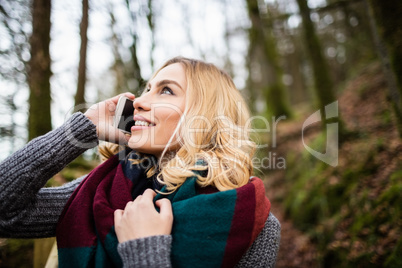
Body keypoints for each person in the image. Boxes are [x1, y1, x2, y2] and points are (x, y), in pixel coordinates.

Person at [0, 57, 280, 267]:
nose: (140, 102)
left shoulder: (253, 220)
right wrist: (81, 130)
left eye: (166, 90)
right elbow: (5, 212)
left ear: (205, 116)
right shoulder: (103, 188)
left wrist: (144, 250)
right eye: (147, 88)